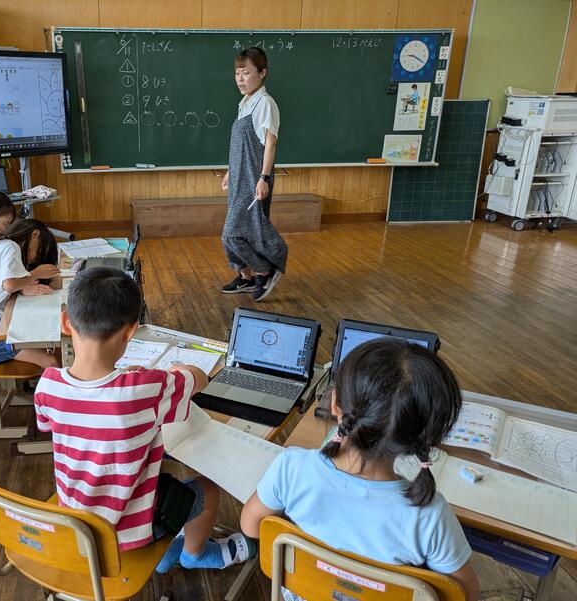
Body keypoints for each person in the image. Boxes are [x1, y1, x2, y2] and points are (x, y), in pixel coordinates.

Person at [34, 267, 256, 571]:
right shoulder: (145, 388)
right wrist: (173, 371)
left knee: (154, 473)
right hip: (128, 531)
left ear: (65, 323)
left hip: (76, 519)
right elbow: (199, 378)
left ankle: (162, 552)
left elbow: (48, 424)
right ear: (130, 332)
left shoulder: (48, 384)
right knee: (207, 490)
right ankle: (194, 555)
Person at [240, 339, 479, 601]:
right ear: (423, 435)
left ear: (335, 404)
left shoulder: (292, 466)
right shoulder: (430, 514)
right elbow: (463, 594)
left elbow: (251, 526)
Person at [221, 47, 288, 302]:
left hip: (253, 178)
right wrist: (230, 171)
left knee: (234, 233)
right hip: (239, 178)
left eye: (246, 73)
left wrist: (264, 178)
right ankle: (246, 277)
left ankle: (265, 270)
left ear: (262, 73)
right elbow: (241, 145)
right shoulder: (245, 103)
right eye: (237, 73)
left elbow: (270, 143)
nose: (240, 78)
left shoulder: (265, 103)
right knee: (235, 233)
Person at [0, 218, 60, 369]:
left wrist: (23, 286)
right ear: (35, 234)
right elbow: (9, 285)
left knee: (47, 341)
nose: (36, 258)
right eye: (40, 250)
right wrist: (36, 273)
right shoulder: (11, 247)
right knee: (52, 361)